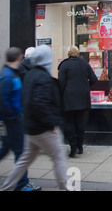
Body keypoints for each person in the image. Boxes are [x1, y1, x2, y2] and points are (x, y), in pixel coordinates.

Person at [1, 45, 68, 191]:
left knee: (23, 160)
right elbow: (40, 103)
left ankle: (6, 187)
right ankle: (65, 188)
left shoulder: (29, 74)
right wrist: (52, 124)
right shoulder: (42, 77)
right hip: (43, 128)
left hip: (30, 127)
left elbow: (27, 99)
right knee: (59, 157)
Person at [0, 47, 41, 191]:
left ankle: (21, 183)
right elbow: (4, 101)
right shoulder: (8, 76)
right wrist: (13, 117)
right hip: (12, 121)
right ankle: (22, 184)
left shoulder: (12, 73)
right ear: (20, 58)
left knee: (6, 150)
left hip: (12, 120)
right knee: (21, 152)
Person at [58, 45, 98, 157]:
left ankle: (73, 146)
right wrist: (86, 87)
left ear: (68, 53)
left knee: (69, 122)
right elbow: (94, 79)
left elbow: (61, 83)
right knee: (80, 121)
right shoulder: (84, 63)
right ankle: (80, 146)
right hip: (83, 97)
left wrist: (62, 93)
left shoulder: (64, 65)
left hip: (69, 98)